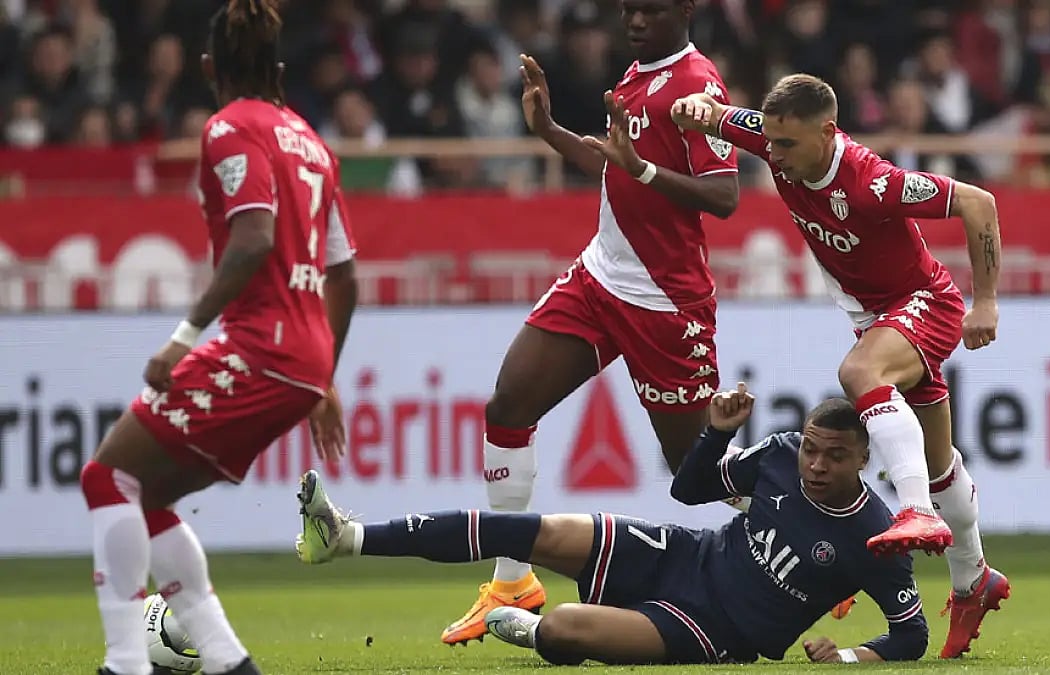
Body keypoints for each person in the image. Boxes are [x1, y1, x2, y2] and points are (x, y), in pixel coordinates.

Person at [669, 74, 1009, 658]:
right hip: (876, 317)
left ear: (827, 133)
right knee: (936, 461)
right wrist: (696, 107)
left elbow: (979, 202)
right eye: (770, 143)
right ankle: (973, 580)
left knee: (859, 376)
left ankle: (916, 513)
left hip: (922, 305)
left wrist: (985, 301)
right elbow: (719, 116)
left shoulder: (872, 181)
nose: (773, 156)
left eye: (787, 146)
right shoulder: (774, 141)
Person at [449, 0, 743, 645]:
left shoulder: (699, 85)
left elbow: (724, 196)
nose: (635, 21)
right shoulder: (637, 75)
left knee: (693, 474)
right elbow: (615, 165)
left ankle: (803, 533)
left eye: (650, 10)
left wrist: (639, 167)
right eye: (628, 10)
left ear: (685, 10)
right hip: (599, 278)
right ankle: (511, 578)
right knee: (508, 404)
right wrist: (551, 131)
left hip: (665, 302)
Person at [80, 2, 358, 674]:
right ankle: (230, 661)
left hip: (259, 345)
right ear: (281, 70)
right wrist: (324, 378)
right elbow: (346, 276)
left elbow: (253, 236)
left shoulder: (229, 128)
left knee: (105, 475)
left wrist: (183, 337)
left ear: (208, 68)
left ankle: (124, 663)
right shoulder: (310, 141)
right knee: (145, 492)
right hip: (303, 355)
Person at [295, 385, 928, 665]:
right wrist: (716, 433)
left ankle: (546, 637)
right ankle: (346, 537)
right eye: (813, 449)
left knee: (566, 627)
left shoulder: (876, 532)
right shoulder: (780, 455)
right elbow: (689, 491)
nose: (816, 465)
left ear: (866, 458)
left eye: (835, 456)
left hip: (713, 630)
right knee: (530, 531)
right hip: (682, 554)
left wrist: (846, 654)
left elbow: (912, 634)